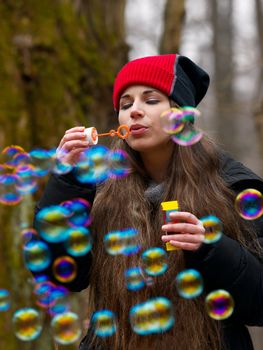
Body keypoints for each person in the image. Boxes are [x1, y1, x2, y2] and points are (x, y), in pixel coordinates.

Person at [34, 54, 263, 350]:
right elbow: (59, 277)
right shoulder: (100, 190)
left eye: (151, 100)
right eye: (126, 104)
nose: (134, 112)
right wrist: (67, 180)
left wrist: (211, 248)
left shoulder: (232, 187)